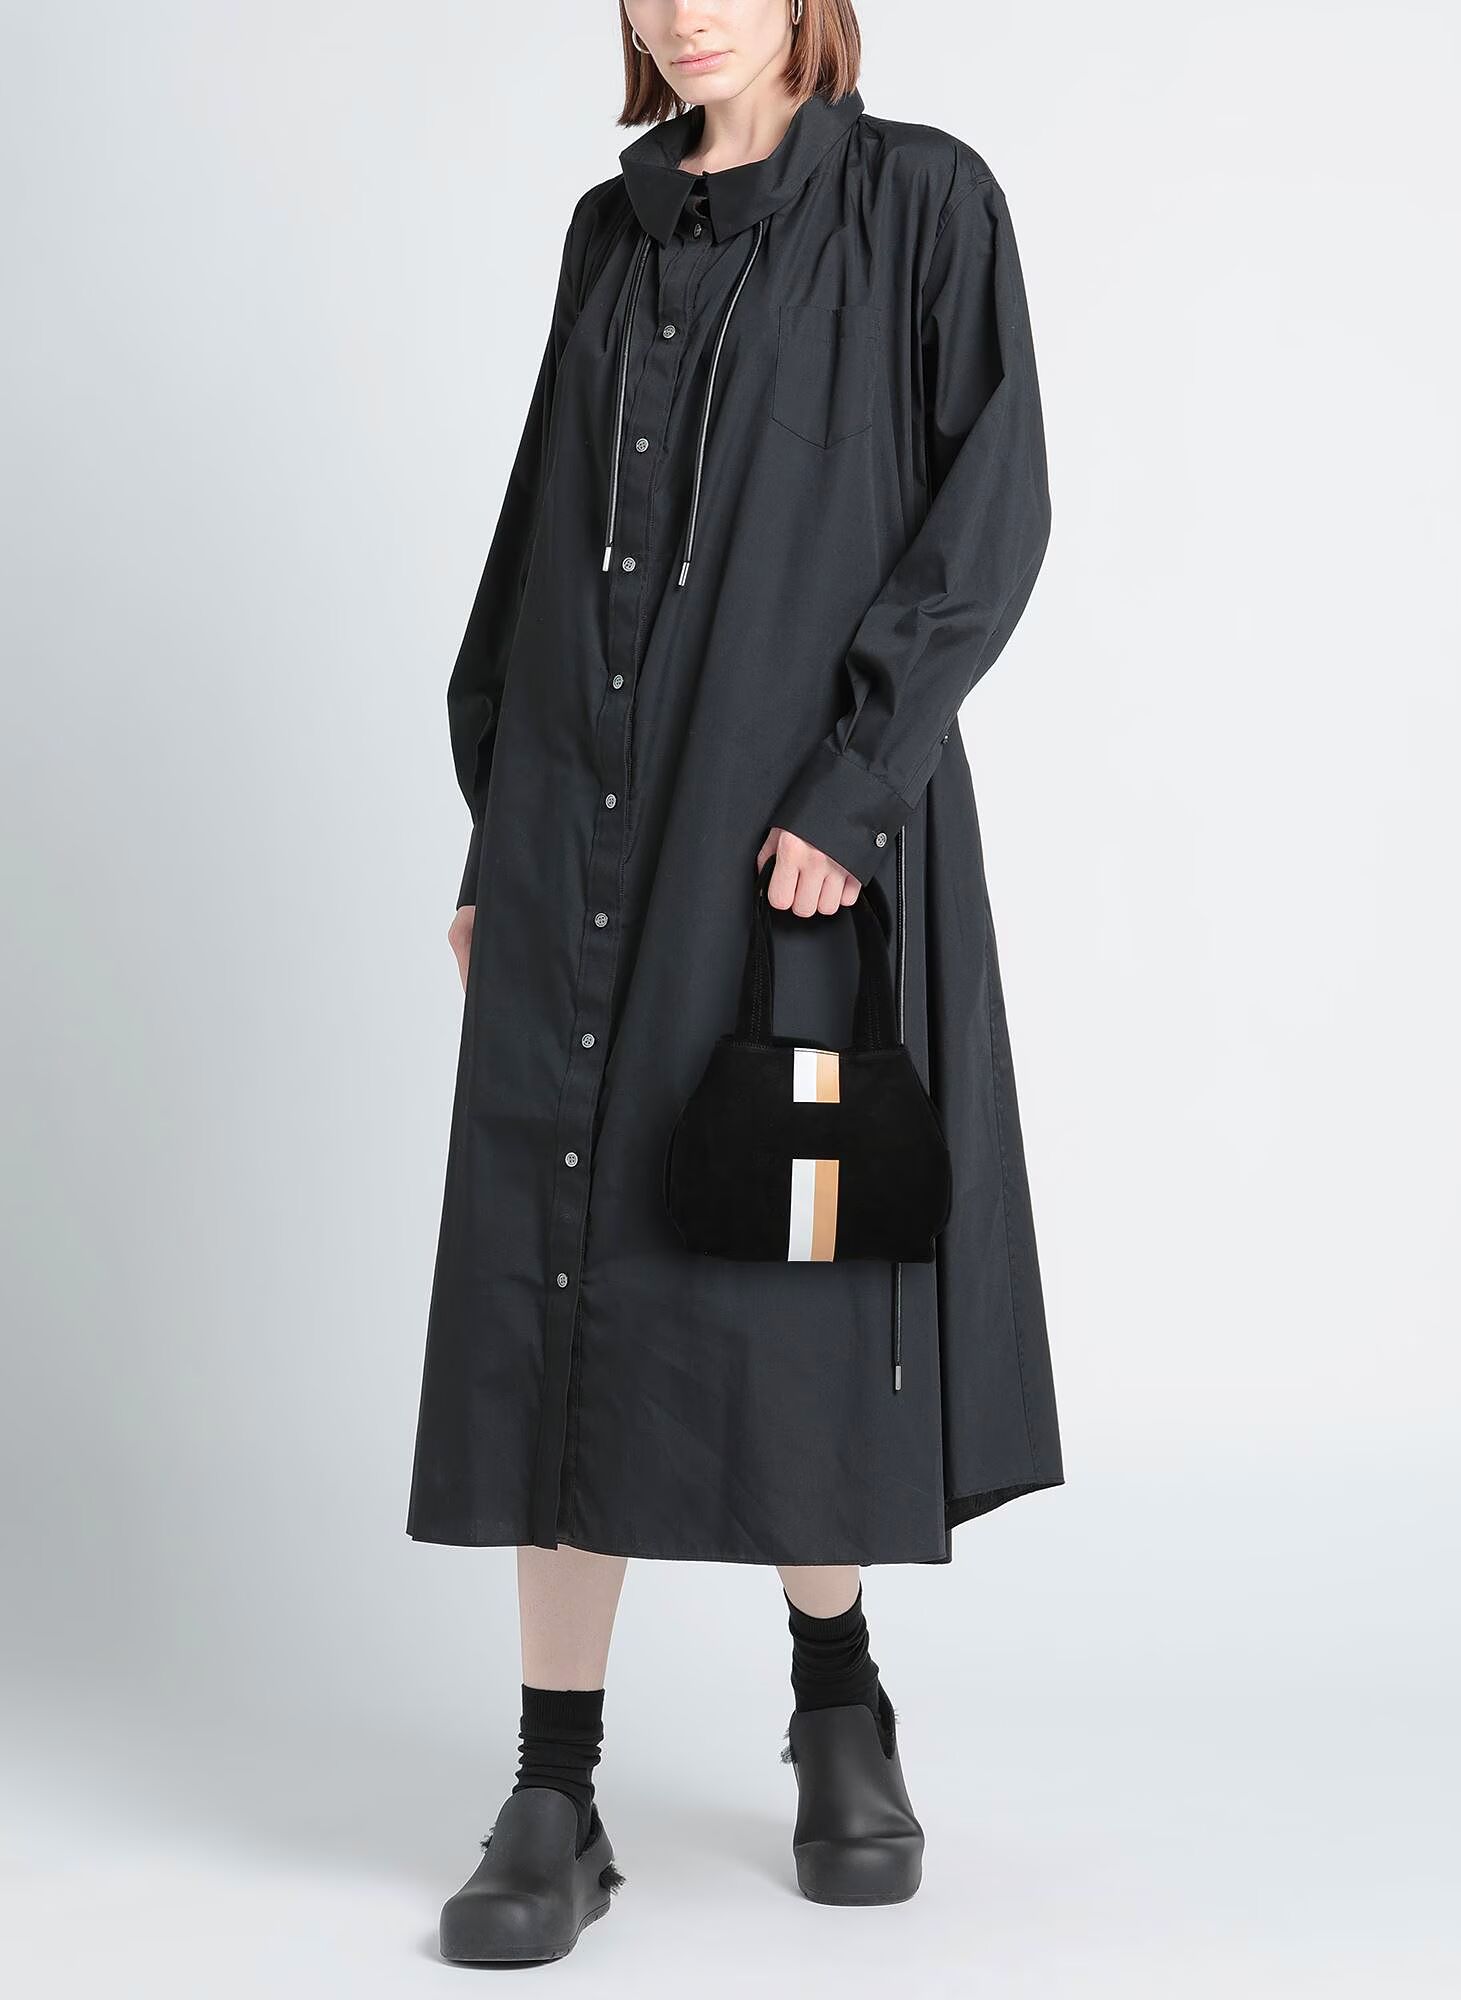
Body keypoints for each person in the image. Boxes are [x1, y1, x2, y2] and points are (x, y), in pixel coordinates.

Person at [411, 0, 1063, 1963]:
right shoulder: (608, 236)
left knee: (795, 1277)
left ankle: (837, 1695)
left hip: (791, 851)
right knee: (563, 1284)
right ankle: (554, 1784)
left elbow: (988, 517)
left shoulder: (923, 205)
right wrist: (499, 837)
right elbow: (539, 548)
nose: (685, 9)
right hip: (578, 844)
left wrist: (855, 791)